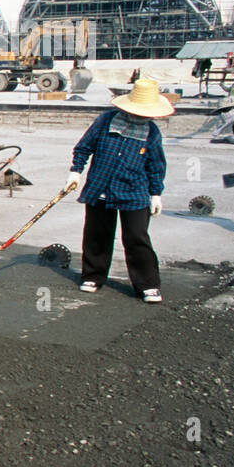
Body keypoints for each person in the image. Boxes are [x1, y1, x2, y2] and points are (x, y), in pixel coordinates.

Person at [64, 79, 171, 303]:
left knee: (136, 237)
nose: (140, 116)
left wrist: (156, 194)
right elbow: (84, 146)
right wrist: (75, 171)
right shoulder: (105, 121)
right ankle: (93, 275)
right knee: (97, 234)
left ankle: (147, 284)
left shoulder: (151, 133)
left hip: (134, 191)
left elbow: (156, 165)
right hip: (100, 186)